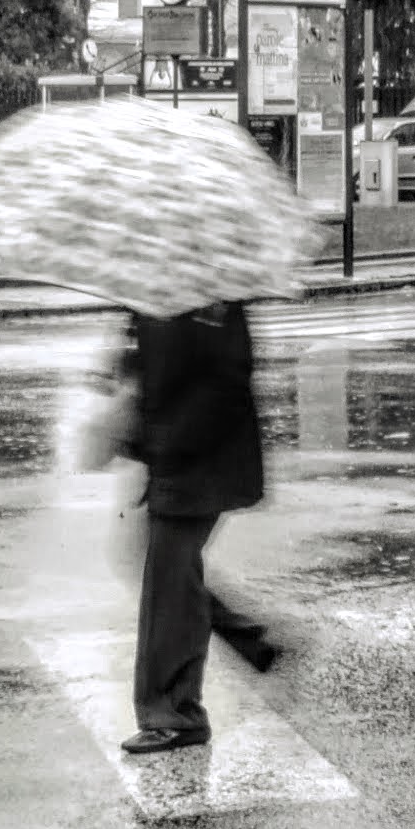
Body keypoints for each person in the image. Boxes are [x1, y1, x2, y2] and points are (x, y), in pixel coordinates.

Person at [117, 301, 274, 757]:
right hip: (176, 458)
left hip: (197, 460)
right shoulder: (159, 288)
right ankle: (249, 638)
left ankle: (176, 714)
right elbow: (145, 359)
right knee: (167, 572)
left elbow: (225, 375)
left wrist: (167, 441)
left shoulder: (209, 297)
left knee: (168, 580)